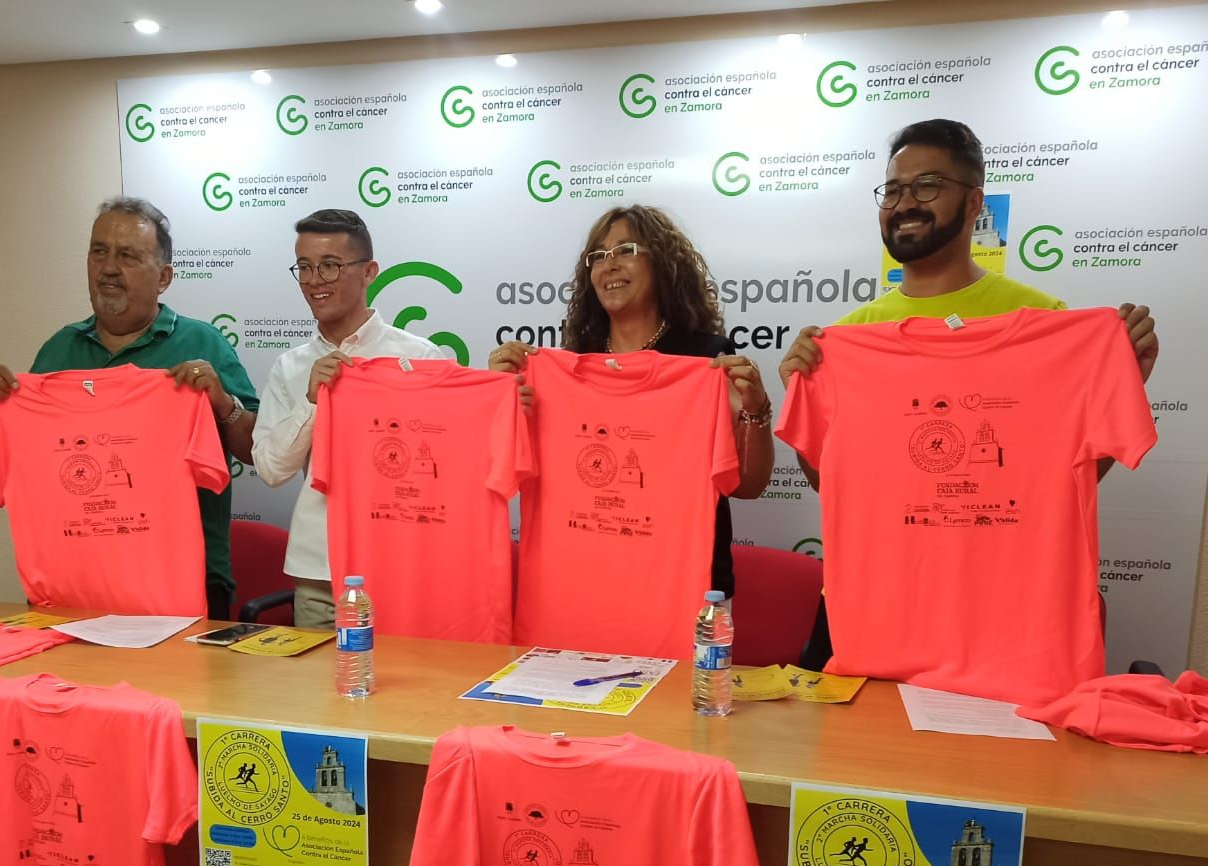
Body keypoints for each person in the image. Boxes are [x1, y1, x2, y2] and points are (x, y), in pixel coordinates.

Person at [777, 119, 1161, 666]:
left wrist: (1121, 386)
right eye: (893, 190)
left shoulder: (1048, 322)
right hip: (875, 610)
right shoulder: (846, 340)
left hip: (1004, 613)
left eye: (927, 185)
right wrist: (804, 395)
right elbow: (834, 484)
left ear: (976, 201)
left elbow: (1061, 480)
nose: (905, 203)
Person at [0, 197, 258, 619]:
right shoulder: (59, 349)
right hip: (71, 586)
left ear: (163, 277)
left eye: (127, 256)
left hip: (183, 583)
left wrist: (220, 401)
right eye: (98, 252)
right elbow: (32, 456)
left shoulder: (203, 344)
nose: (108, 268)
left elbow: (255, 450)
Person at [488, 204, 772, 601]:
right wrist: (499, 401)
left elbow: (748, 485)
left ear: (662, 263)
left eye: (626, 250)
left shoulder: (704, 360)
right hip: (582, 582)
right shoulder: (567, 366)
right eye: (599, 256)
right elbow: (503, 471)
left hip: (684, 589)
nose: (610, 265)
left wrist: (755, 409)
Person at [250, 209, 447, 629]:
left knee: (409, 673)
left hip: (402, 565)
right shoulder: (290, 367)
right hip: (320, 574)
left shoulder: (420, 358)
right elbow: (270, 469)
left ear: (369, 272)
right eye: (304, 267)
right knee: (320, 676)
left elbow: (443, 466)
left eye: (330, 265)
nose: (314, 280)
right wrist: (311, 402)